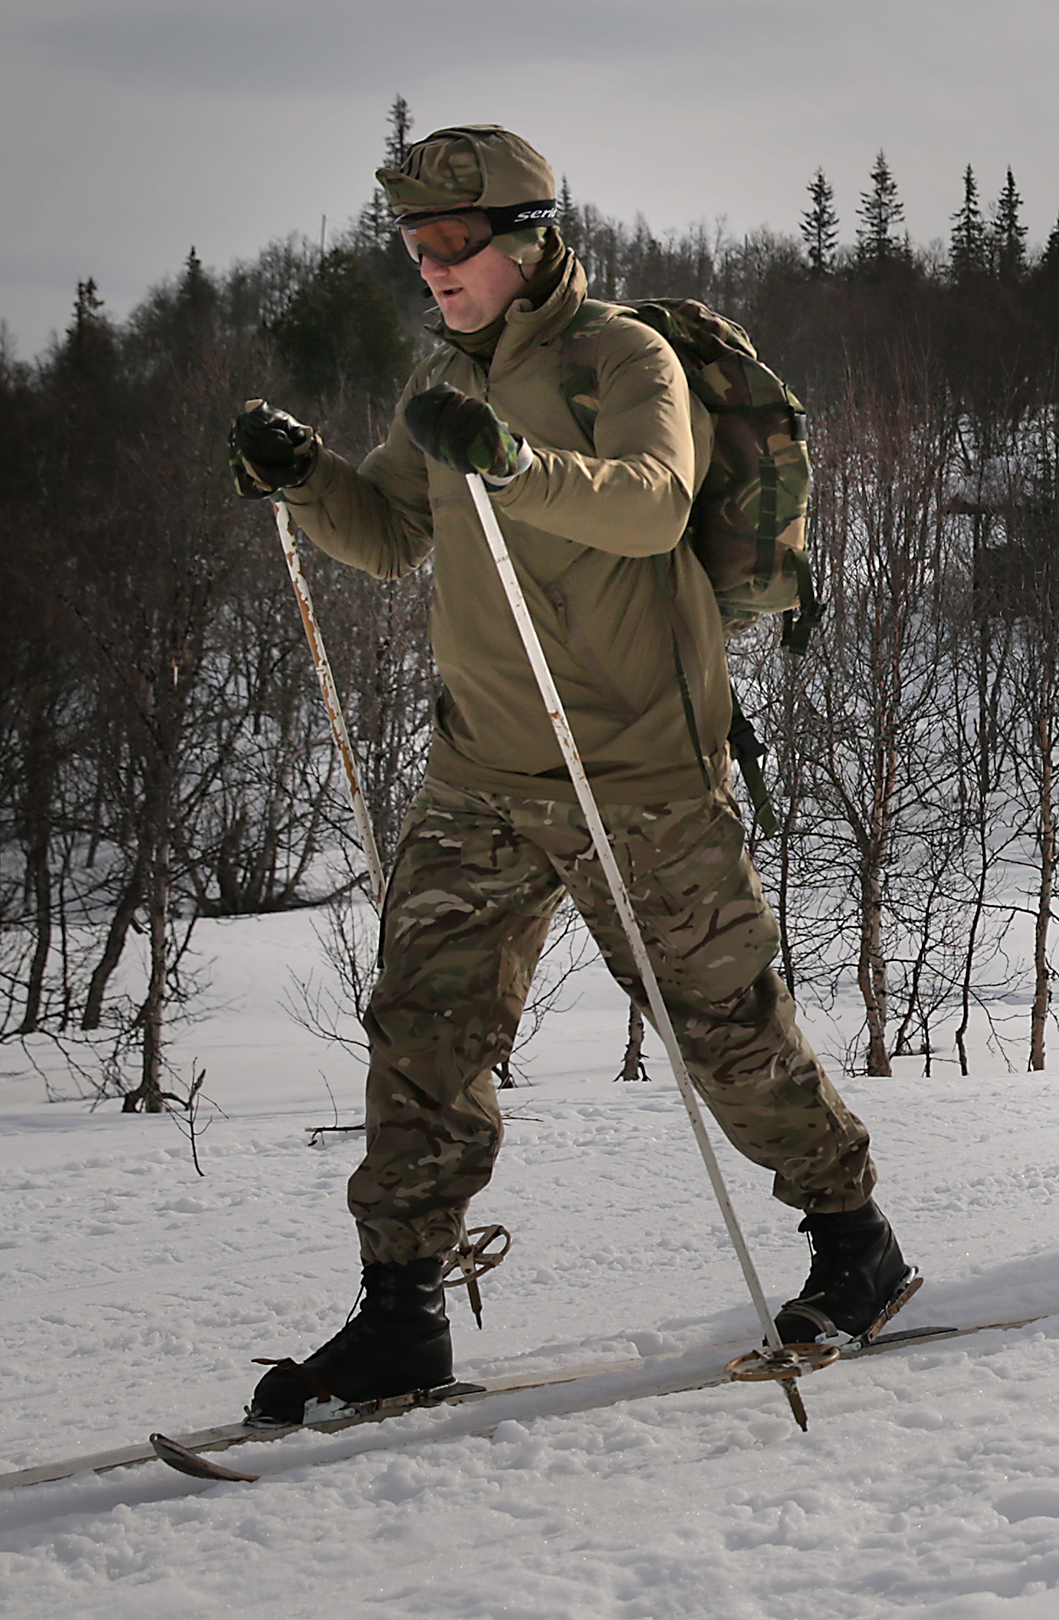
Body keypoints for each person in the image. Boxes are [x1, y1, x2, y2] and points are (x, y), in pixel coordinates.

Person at [223, 125, 911, 1425]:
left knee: (722, 1026)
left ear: (531, 238)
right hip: (483, 772)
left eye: (453, 243)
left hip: (638, 768)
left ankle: (853, 1244)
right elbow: (383, 539)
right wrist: (306, 476)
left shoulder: (621, 358)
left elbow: (654, 501)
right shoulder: (445, 384)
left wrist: (511, 461)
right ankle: (400, 1315)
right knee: (423, 1033)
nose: (432, 269)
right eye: (415, 247)